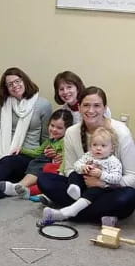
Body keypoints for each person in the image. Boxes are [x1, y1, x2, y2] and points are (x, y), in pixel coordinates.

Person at [37, 87, 135, 223]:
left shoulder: (121, 132)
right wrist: (83, 175)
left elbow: (132, 177)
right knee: (44, 180)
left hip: (111, 189)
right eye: (86, 105)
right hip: (82, 186)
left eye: (97, 106)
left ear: (105, 108)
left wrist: (103, 184)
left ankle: (68, 213)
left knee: (128, 197)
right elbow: (69, 169)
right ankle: (100, 215)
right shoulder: (71, 132)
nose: (91, 110)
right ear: (79, 107)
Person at [0, 67, 52, 206]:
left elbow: (47, 137)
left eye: (17, 81)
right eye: (10, 84)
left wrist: (42, 160)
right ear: (6, 88)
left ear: (25, 80)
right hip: (5, 151)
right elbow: (1, 126)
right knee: (7, 179)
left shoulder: (43, 105)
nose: (15, 86)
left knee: (8, 163)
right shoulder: (5, 104)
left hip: (28, 154)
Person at [40, 126, 123, 224]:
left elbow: (117, 178)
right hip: (82, 185)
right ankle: (75, 189)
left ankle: (69, 211)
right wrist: (82, 167)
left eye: (103, 146)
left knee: (97, 191)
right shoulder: (89, 155)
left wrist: (101, 175)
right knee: (73, 173)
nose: (98, 148)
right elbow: (76, 165)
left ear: (112, 148)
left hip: (100, 189)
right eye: (95, 145)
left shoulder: (113, 161)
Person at [0, 109, 73, 199]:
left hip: (59, 170)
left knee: (46, 168)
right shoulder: (49, 141)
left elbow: (66, 157)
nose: (54, 129)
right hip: (48, 167)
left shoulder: (64, 141)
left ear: (67, 129)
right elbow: (37, 152)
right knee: (37, 161)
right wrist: (22, 150)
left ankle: (24, 189)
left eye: (59, 128)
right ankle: (22, 188)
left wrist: (61, 171)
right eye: (52, 125)